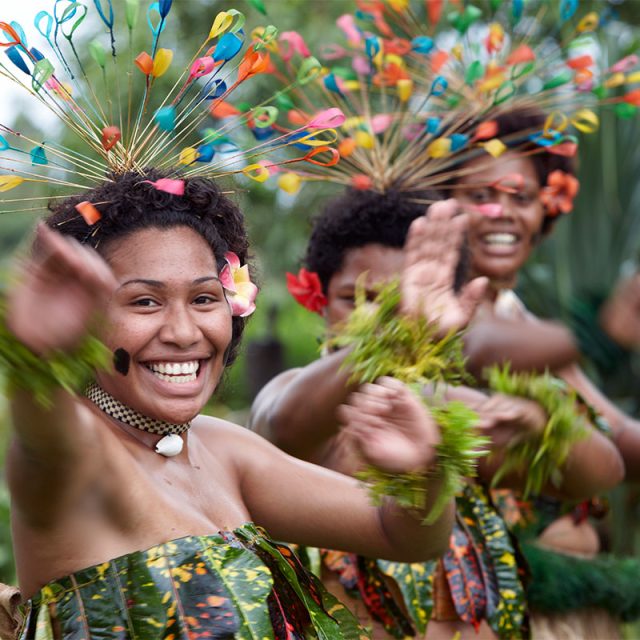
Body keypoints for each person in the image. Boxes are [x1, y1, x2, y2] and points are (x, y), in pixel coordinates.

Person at [2, 169, 462, 639]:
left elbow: (402, 534)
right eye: (144, 302)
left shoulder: (224, 450)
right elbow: (45, 437)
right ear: (85, 319)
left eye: (204, 298)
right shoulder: (82, 456)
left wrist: (424, 471)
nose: (184, 333)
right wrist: (37, 361)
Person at [250, 188, 623, 639]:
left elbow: (602, 471)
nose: (376, 318)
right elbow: (283, 422)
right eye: (357, 299)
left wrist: (541, 425)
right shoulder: (298, 397)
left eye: (396, 302)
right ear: (320, 298)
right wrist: (399, 331)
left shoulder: (451, 405)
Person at [449, 108, 640, 638]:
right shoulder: (431, 312)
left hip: (572, 611)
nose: (501, 213)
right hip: (492, 610)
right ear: (444, 206)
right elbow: (481, 349)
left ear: (546, 211)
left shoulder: (523, 320)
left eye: (522, 198)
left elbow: (620, 440)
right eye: (481, 195)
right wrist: (597, 333)